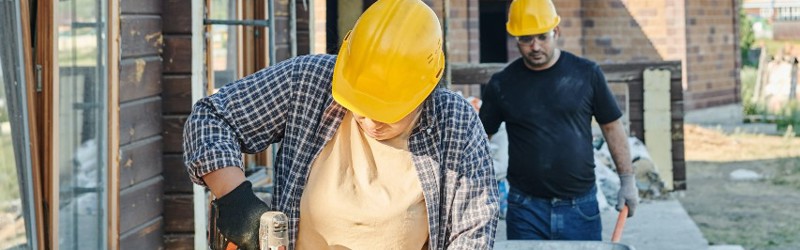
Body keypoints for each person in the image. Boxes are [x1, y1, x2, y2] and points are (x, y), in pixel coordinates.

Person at [183, 0, 499, 249]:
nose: (370, 119)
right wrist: (236, 199)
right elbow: (212, 117)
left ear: (426, 88)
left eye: (388, 110)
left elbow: (471, 232)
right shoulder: (308, 82)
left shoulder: (454, 121)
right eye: (360, 105)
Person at [478, 0, 638, 241]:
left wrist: (627, 180)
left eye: (542, 37)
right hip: (525, 209)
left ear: (556, 31)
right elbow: (480, 140)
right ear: (515, 39)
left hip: (579, 208)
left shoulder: (587, 74)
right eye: (525, 39)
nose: (535, 46)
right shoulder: (502, 84)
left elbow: (612, 126)